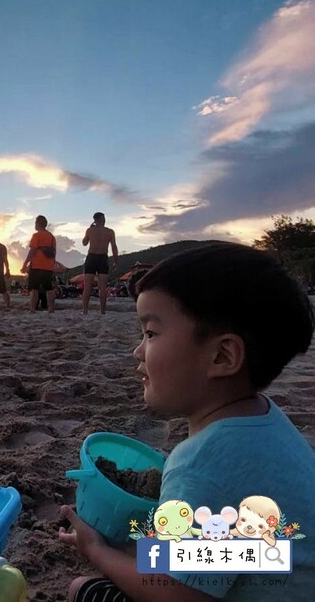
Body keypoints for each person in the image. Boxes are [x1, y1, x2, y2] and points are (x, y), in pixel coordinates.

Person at [58, 243, 315, 602]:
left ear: (223, 356)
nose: (138, 350)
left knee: (83, 590)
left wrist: (97, 550)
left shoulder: (200, 465)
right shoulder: (267, 420)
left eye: (150, 333)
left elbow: (179, 595)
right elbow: (240, 551)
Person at [81, 212, 118, 315]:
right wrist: (115, 261)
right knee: (102, 286)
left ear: (95, 220)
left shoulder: (90, 230)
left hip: (92, 257)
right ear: (102, 219)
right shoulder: (110, 232)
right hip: (102, 258)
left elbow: (84, 243)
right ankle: (102, 311)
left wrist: (88, 231)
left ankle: (85, 310)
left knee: (87, 285)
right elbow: (114, 247)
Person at [21, 215, 57, 314]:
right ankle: (51, 310)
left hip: (37, 266)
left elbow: (32, 250)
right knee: (49, 289)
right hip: (48, 267)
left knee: (34, 289)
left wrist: (25, 264)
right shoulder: (52, 237)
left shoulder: (36, 236)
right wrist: (52, 265)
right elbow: (54, 252)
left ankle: (32, 309)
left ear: (37, 224)